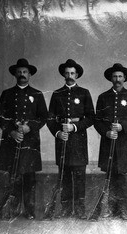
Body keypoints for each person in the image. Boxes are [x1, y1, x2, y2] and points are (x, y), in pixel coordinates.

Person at [0, 58, 48, 220]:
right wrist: (11, 132)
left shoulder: (37, 94)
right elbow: (0, 116)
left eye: (25, 72)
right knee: (13, 176)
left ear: (30, 74)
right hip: (12, 142)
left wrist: (29, 127)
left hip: (30, 142)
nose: (22, 74)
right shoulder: (7, 94)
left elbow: (43, 117)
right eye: (19, 72)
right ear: (15, 74)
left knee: (29, 177)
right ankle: (12, 210)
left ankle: (30, 210)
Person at [47, 59, 95, 219]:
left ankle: (80, 210)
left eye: (72, 73)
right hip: (62, 140)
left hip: (78, 141)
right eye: (67, 73)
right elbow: (50, 119)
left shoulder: (84, 93)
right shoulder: (57, 94)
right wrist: (58, 133)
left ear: (77, 75)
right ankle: (66, 209)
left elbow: (91, 118)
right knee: (64, 176)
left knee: (80, 177)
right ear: (63, 74)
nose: (69, 76)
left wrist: (75, 127)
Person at [94, 63, 127, 220]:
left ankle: (123, 210)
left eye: (120, 76)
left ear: (124, 78)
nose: (117, 79)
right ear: (110, 78)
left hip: (125, 144)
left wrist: (123, 126)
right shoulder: (103, 97)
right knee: (110, 177)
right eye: (115, 76)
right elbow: (97, 120)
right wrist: (106, 132)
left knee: (123, 179)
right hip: (108, 142)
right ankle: (111, 210)